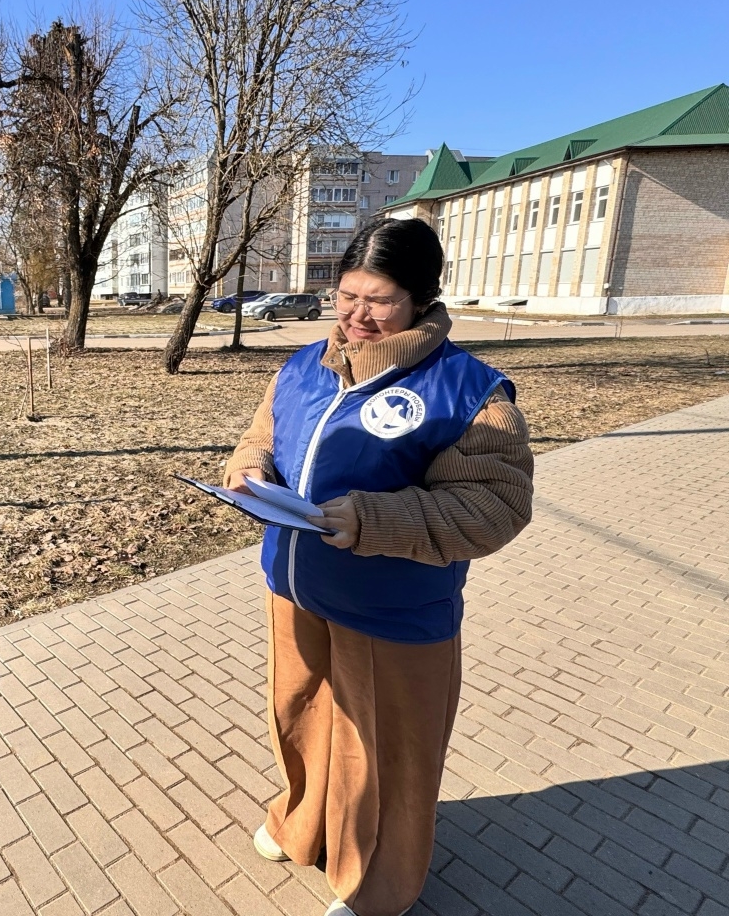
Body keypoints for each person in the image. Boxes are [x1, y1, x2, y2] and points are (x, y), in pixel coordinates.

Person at [224, 217, 534, 916]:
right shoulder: (304, 365)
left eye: (380, 300)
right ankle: (304, 824)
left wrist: (373, 520)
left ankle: (376, 887)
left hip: (393, 611)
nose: (357, 316)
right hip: (296, 590)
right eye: (347, 296)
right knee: (301, 717)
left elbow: (496, 507)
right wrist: (249, 466)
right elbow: (262, 434)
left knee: (388, 754)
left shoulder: (469, 392)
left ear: (422, 300)